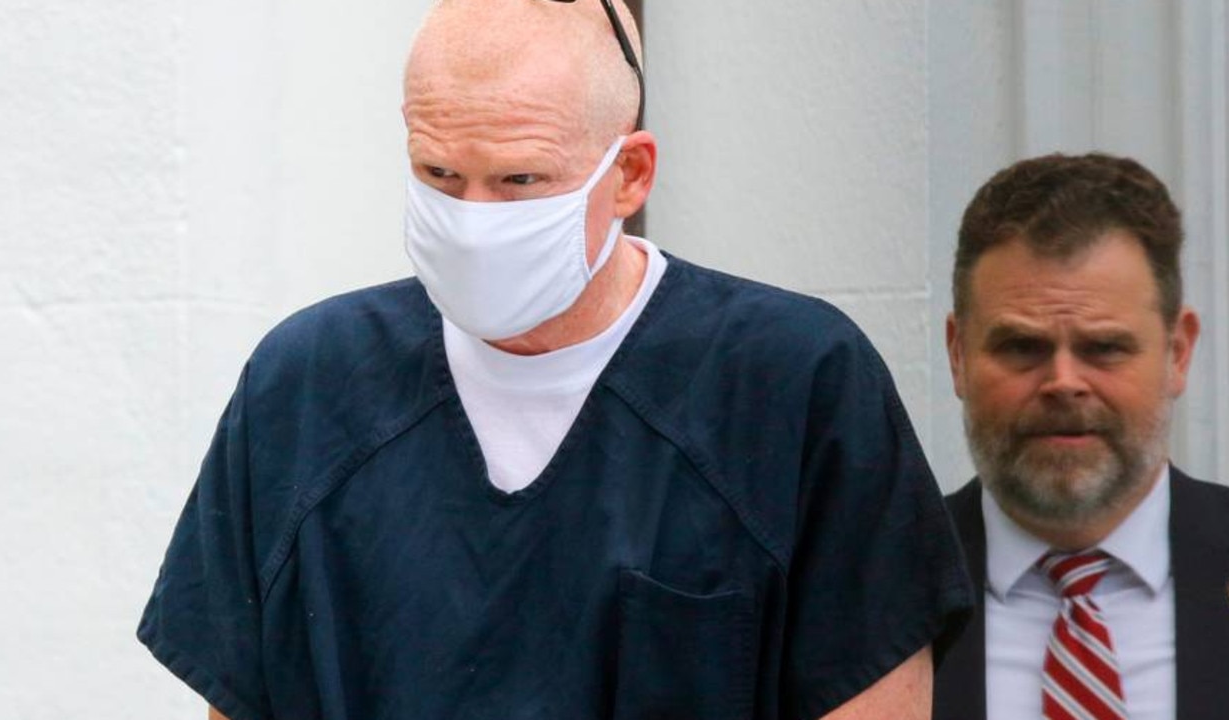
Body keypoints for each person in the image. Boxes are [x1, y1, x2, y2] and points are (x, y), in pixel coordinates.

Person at [139, 1, 971, 718]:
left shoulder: (791, 386)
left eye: (519, 180)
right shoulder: (309, 386)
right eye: (438, 173)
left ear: (630, 174)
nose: (472, 219)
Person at [933, 152, 1229, 720]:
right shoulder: (873, 593)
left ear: (1178, 351)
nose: (1063, 383)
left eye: (1105, 348)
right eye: (1022, 347)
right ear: (958, 355)